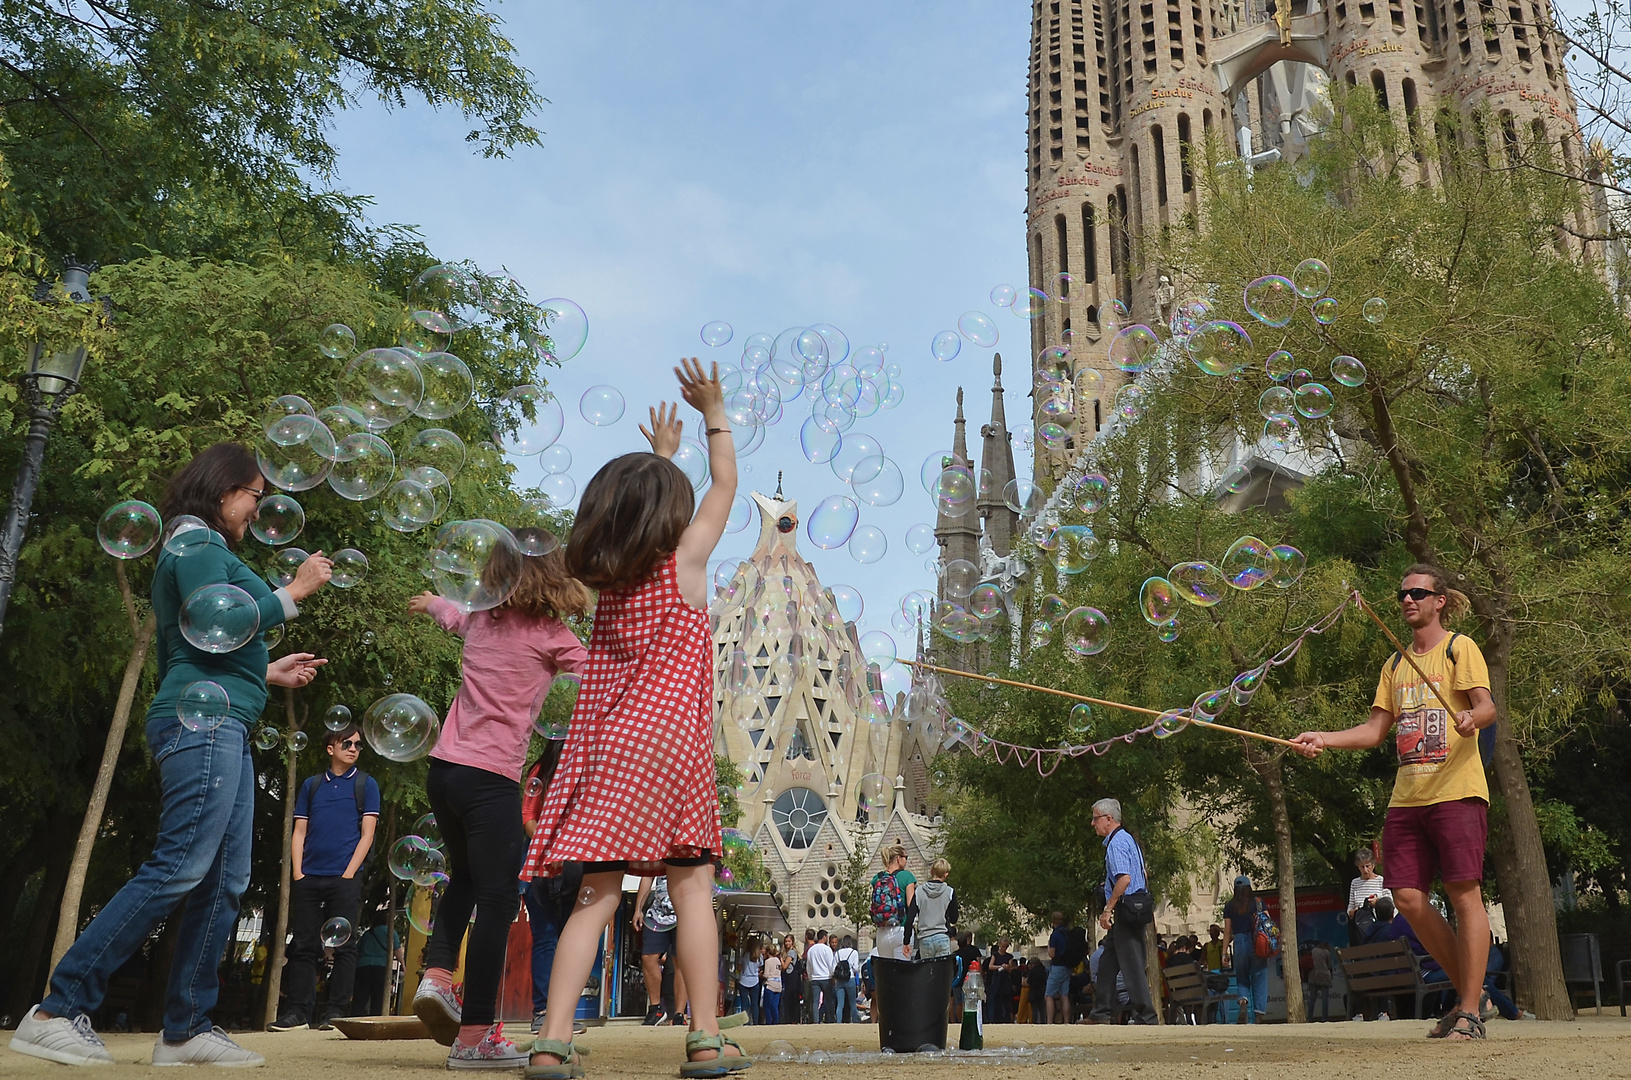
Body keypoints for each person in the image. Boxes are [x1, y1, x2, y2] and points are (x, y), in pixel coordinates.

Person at [11, 444, 330, 1068]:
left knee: (224, 878)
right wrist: (293, 592)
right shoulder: (197, 544)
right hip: (202, 725)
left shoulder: (201, 551)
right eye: (254, 495)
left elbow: (203, 646)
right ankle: (57, 1008)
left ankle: (186, 1028)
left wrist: (267, 670)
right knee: (182, 863)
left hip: (225, 718)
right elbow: (217, 619)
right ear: (223, 490)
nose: (257, 508)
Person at [522, 360, 747, 1079]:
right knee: (691, 894)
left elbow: (638, 510)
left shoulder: (608, 585)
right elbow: (726, 487)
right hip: (671, 753)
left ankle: (552, 1041)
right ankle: (705, 1039)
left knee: (595, 897)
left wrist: (656, 460)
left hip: (610, 752)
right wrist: (713, 412)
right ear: (666, 519)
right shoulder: (684, 564)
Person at [406, 536, 590, 1068]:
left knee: (464, 877)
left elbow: (452, 614)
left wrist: (430, 602)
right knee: (499, 901)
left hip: (444, 773)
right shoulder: (551, 635)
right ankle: (476, 1036)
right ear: (548, 579)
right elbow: (598, 672)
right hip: (489, 781)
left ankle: (439, 976)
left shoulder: (482, 621)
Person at [1293, 564, 1497, 1042]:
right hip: (1407, 798)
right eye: (1402, 594)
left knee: (1464, 894)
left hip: (1458, 791)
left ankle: (1467, 1010)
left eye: (1418, 593)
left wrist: (1471, 717)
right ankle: (1474, 993)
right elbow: (1373, 732)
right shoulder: (1394, 665)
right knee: (1405, 897)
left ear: (1439, 600)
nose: (1407, 600)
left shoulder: (1457, 648)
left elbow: (1488, 707)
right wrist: (1323, 738)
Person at [271, 724, 381, 1030]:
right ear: (330, 748)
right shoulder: (312, 785)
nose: (354, 748)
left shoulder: (365, 784)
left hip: (344, 878)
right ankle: (296, 1014)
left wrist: (348, 874)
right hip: (309, 877)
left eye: (358, 745)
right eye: (347, 743)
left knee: (345, 947)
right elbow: (299, 831)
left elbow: (367, 834)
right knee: (304, 946)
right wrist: (298, 873)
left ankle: (335, 1012)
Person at [524, 741, 592, 1035]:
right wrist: (554, 845)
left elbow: (528, 817)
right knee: (553, 939)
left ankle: (554, 1013)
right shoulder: (555, 772)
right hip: (550, 867)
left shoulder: (548, 771)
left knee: (555, 940)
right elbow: (528, 816)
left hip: (560, 868)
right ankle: (548, 1012)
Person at [1086, 798, 1158, 1026]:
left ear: (1109, 819)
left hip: (1125, 909)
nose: (1092, 824)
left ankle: (1146, 1016)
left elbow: (1124, 879)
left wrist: (1108, 908)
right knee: (1108, 961)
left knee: (1132, 964)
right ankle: (1101, 1012)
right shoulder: (1129, 840)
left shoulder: (1116, 844)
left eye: (1096, 819)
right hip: (1137, 907)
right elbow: (1143, 873)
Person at [635, 872, 686, 1026]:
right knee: (648, 957)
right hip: (657, 913)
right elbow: (647, 876)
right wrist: (638, 909)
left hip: (683, 912)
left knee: (680, 962)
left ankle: (679, 1014)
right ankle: (656, 1009)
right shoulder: (657, 852)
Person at [1222, 875, 1270, 1023]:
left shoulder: (1230, 906)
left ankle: (1243, 1003)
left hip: (1239, 942)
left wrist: (1224, 953)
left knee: (1242, 978)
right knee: (1259, 977)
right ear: (1249, 887)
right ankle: (1259, 1015)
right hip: (1257, 943)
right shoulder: (1258, 903)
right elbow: (1268, 924)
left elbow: (1227, 931)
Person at [871, 844, 917, 961]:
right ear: (898, 858)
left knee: (888, 976)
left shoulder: (878, 878)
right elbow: (911, 905)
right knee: (902, 975)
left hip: (882, 932)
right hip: (901, 930)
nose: (906, 860)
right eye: (905, 857)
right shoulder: (907, 876)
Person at [909, 858, 959, 960]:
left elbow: (910, 917)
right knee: (942, 973)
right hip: (942, 935)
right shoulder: (949, 892)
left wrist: (906, 940)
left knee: (927, 973)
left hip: (925, 937)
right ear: (946, 875)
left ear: (931, 872)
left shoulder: (919, 892)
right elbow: (954, 918)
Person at [354, 914, 403, 1017]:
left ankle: (355, 1018)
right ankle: (375, 1019)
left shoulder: (367, 934)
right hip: (381, 967)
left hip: (363, 967)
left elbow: (357, 951)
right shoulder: (390, 932)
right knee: (378, 997)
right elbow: (397, 950)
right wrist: (403, 963)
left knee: (360, 996)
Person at [1347, 848, 1391, 943]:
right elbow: (1350, 906)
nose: (1365, 870)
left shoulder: (1381, 881)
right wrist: (1352, 912)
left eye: (1368, 866)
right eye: (1362, 867)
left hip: (1379, 928)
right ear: (1358, 867)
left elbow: (1390, 904)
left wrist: (1377, 903)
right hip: (1361, 929)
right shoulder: (1355, 883)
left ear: (1373, 865)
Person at [805, 929, 836, 1024]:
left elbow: (808, 965)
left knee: (815, 1001)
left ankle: (815, 1020)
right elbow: (831, 964)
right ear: (824, 937)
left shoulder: (811, 950)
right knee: (829, 1000)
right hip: (826, 977)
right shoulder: (827, 949)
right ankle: (830, 1020)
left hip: (815, 977)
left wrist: (810, 977)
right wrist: (832, 975)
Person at [986, 938, 1015, 1024]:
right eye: (1002, 947)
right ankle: (996, 1019)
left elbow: (1010, 969)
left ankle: (1006, 1019)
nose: (1004, 949)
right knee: (996, 1001)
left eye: (1005, 947)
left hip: (1005, 980)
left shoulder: (1009, 957)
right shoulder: (995, 955)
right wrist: (999, 967)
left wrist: (1007, 967)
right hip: (997, 979)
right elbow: (990, 966)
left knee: (1006, 1002)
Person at [833, 935, 861, 1023]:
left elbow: (833, 967)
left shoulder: (837, 953)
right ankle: (855, 1021)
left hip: (839, 980)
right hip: (850, 978)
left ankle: (838, 1022)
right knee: (852, 1003)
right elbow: (856, 968)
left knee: (840, 1004)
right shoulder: (854, 952)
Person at [1306, 940, 1334, 1021]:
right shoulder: (1327, 952)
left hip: (1313, 976)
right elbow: (1329, 966)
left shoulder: (1313, 951)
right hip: (1324, 977)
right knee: (1325, 1000)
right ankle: (1324, 1018)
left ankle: (1310, 1018)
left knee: (1312, 999)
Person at [781, 933, 804, 1025]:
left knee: (791, 999)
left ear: (792, 942)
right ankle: (794, 1019)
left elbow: (785, 967)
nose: (787, 943)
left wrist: (780, 960)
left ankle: (792, 1019)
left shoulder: (791, 952)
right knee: (793, 999)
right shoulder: (793, 952)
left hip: (791, 977)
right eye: (786, 941)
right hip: (793, 978)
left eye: (789, 941)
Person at [760, 943, 782, 1025]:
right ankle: (776, 1022)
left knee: (767, 1006)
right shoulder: (778, 960)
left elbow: (766, 975)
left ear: (768, 952)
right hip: (778, 985)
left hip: (770, 985)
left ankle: (769, 1022)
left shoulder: (768, 961)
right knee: (775, 1006)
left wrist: (761, 974)